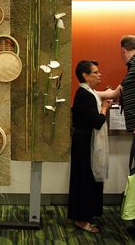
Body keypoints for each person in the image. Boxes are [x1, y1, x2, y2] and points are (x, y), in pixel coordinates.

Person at [68, 60, 112, 233]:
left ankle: (86, 214)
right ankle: (81, 219)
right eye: (95, 72)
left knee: (89, 180)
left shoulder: (89, 93)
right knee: (84, 180)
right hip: (84, 144)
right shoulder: (84, 94)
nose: (99, 74)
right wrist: (105, 108)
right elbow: (97, 122)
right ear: (85, 76)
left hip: (86, 142)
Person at [97, 35, 135, 235]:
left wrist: (92, 93)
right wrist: (92, 93)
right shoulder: (132, 71)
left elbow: (117, 93)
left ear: (123, 50)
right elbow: (117, 92)